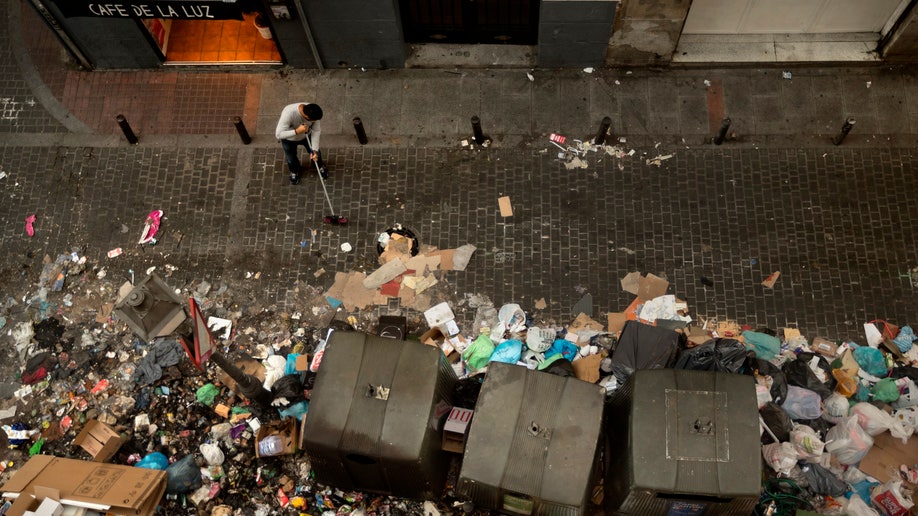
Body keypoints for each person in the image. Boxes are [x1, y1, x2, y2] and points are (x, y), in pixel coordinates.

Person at [275, 103, 328, 185]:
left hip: (307, 136)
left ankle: (318, 166)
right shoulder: (289, 113)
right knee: (291, 158)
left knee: (317, 154)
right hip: (289, 139)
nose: (315, 122)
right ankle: (294, 171)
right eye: (313, 121)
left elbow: (316, 130)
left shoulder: (313, 113)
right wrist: (297, 131)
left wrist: (314, 149)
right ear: (307, 118)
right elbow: (278, 134)